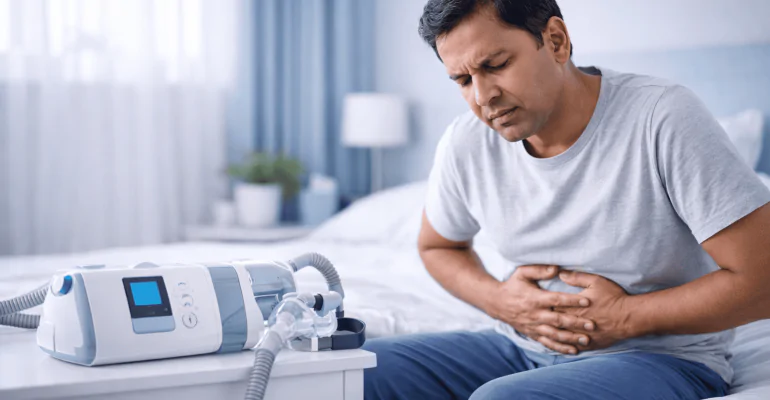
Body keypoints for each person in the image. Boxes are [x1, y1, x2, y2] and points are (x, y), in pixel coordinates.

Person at [362, 0, 770, 399]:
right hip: (518, 348)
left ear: (556, 41)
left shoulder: (662, 118)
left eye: (496, 65)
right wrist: (501, 301)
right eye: (464, 80)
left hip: (660, 358)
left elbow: (763, 281)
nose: (483, 97)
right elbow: (437, 245)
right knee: (357, 370)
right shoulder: (466, 142)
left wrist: (625, 317)